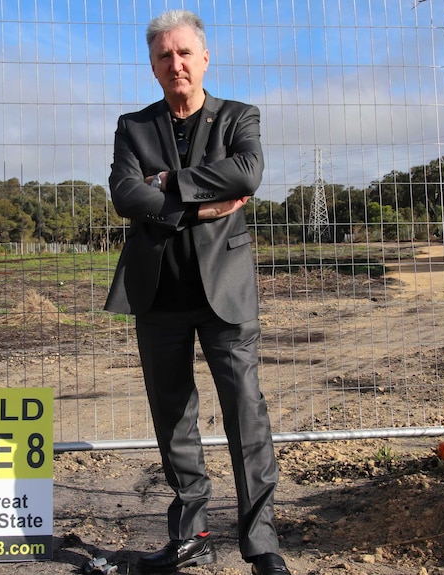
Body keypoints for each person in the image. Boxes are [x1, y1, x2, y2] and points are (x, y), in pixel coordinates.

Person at [104, 9, 291, 575]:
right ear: (153, 66)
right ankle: (190, 536)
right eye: (164, 56)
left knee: (246, 415)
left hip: (225, 296)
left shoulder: (239, 117)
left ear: (204, 58)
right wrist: (201, 207)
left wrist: (168, 187)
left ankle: (261, 546)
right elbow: (125, 196)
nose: (175, 63)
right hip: (158, 294)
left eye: (184, 52)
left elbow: (248, 173)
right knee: (173, 417)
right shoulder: (133, 127)